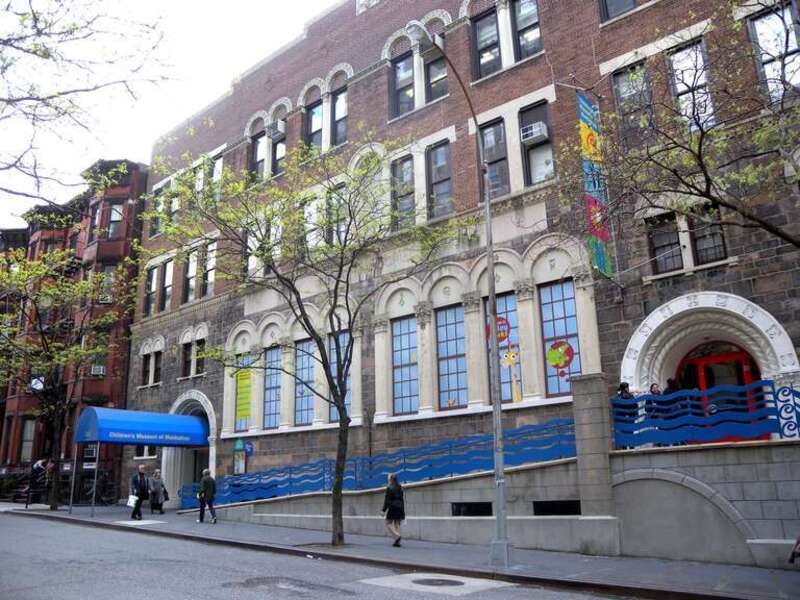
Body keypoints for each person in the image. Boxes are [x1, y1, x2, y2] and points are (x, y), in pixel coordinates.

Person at [381, 473, 405, 547]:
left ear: (390, 480)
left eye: (388, 479)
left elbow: (387, 501)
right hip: (400, 507)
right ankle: (397, 542)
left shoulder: (389, 488)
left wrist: (383, 510)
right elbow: (402, 499)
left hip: (392, 507)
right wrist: (403, 511)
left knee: (388, 523)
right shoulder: (400, 487)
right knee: (397, 524)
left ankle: (397, 535)